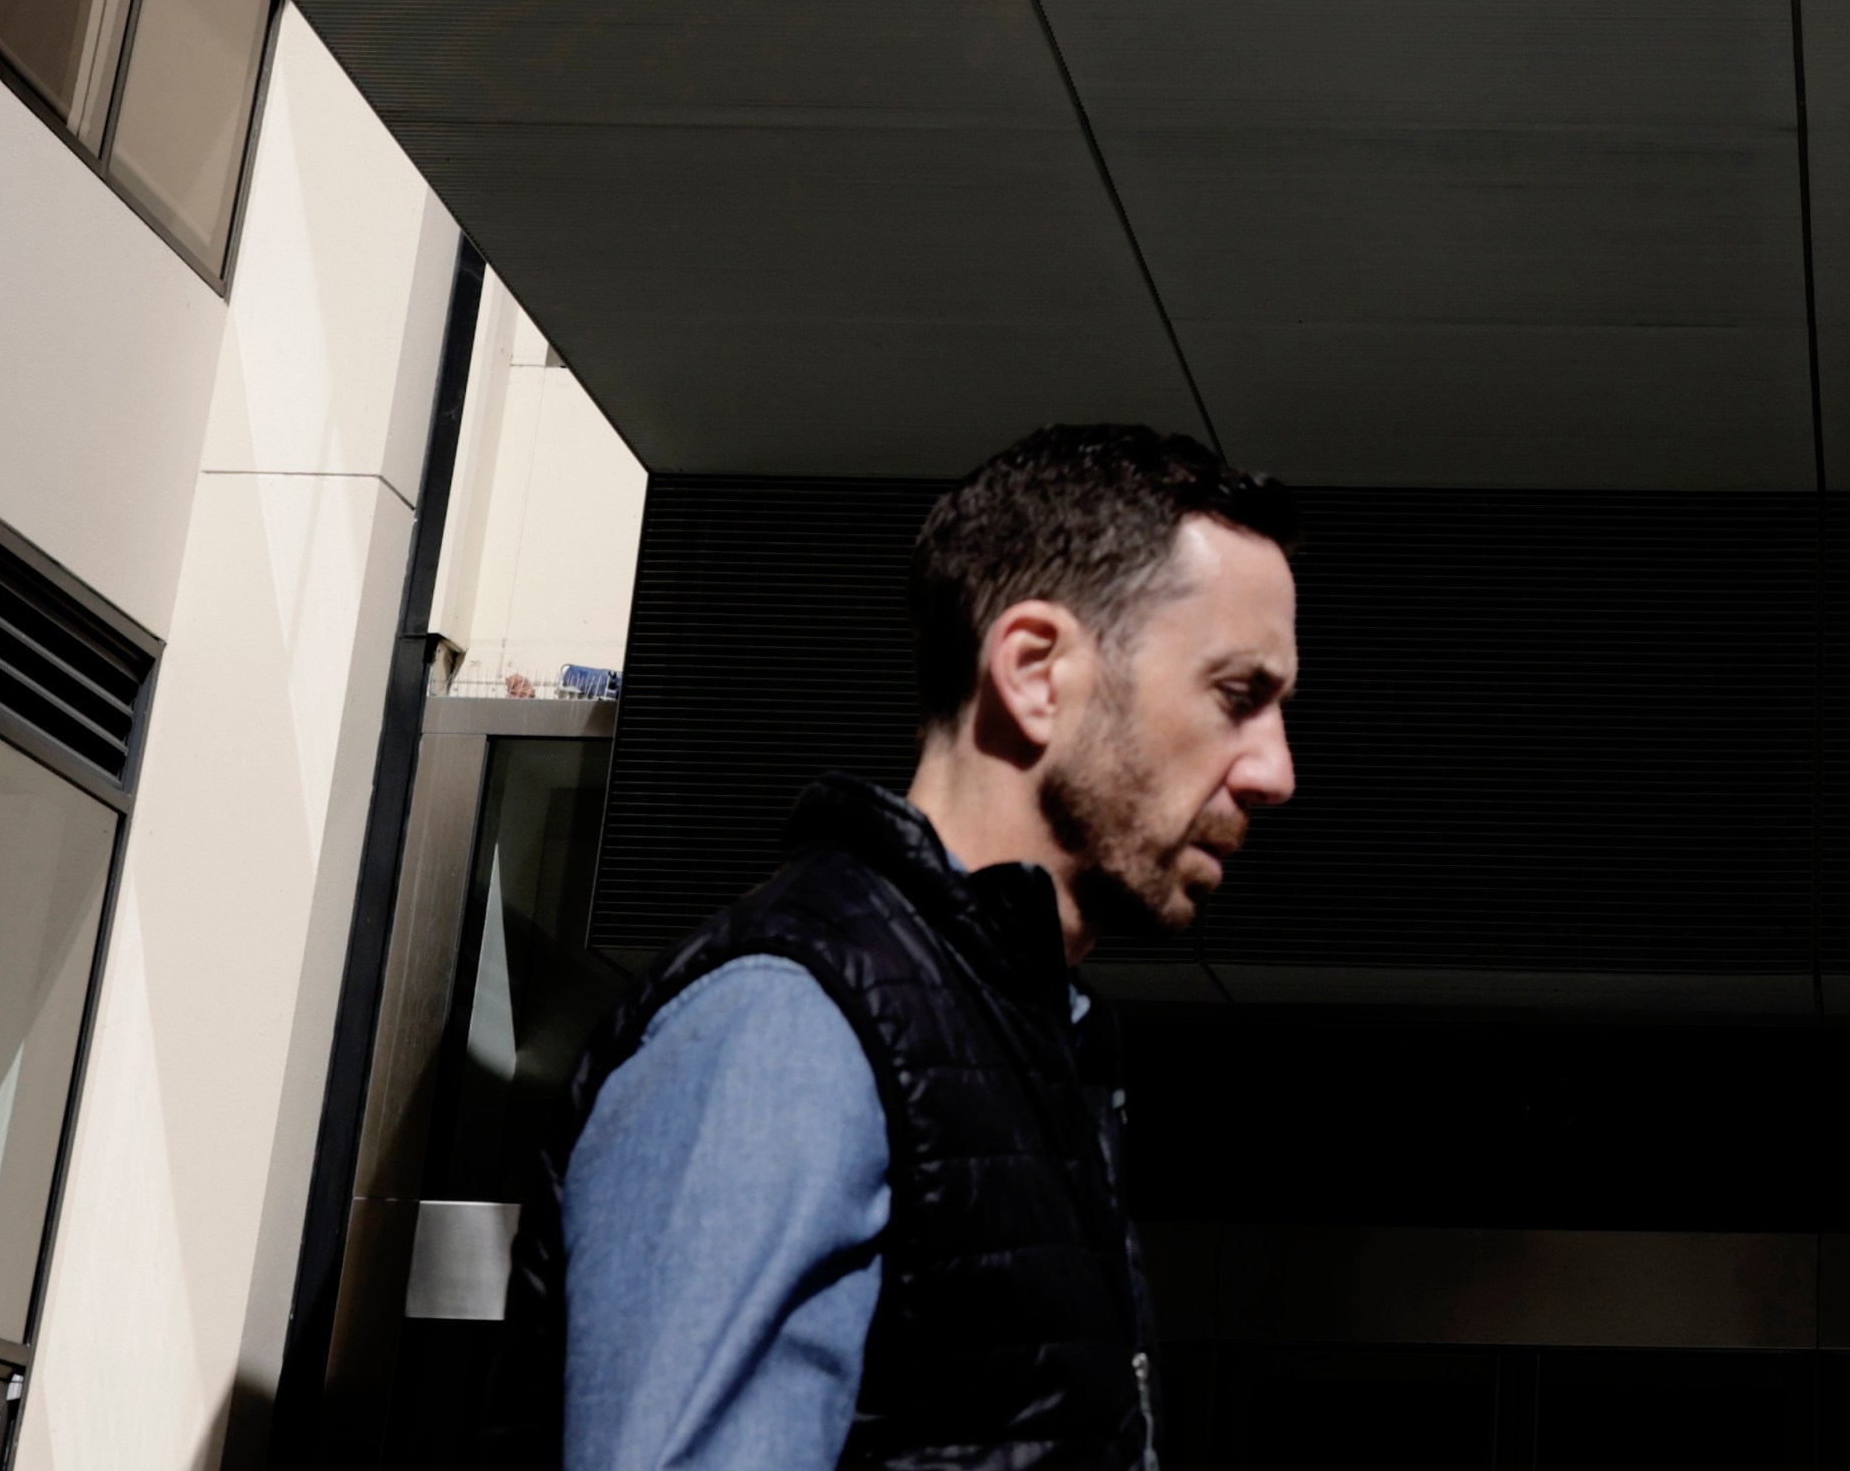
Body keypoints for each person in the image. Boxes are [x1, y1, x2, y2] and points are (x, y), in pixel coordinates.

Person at [493, 425, 1300, 1471]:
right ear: (1035, 670)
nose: (1275, 769)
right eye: (1239, 697)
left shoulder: (1019, 1038)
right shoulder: (788, 1028)